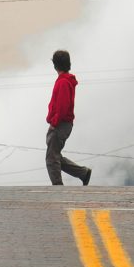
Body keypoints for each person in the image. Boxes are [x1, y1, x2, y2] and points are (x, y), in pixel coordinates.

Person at [45, 50, 91, 187]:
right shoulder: (64, 80)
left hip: (60, 124)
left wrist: (54, 122)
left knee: (51, 158)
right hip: (63, 123)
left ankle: (57, 187)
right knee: (55, 156)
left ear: (55, 65)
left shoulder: (63, 82)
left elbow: (62, 107)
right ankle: (83, 173)